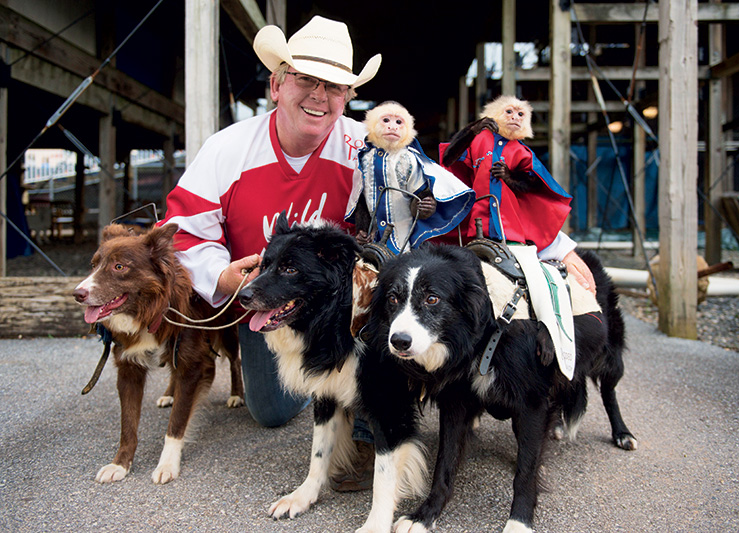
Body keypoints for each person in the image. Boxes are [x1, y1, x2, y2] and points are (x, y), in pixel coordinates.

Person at [160, 15, 381, 491]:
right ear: (277, 84)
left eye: (336, 86)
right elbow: (180, 232)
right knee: (271, 411)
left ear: (348, 97)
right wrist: (221, 277)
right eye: (306, 79)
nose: (320, 96)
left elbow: (438, 193)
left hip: (346, 309)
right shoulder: (228, 148)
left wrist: (557, 247)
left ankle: (367, 424)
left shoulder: (365, 147)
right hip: (265, 302)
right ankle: (323, 381)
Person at [441, 94, 596, 292]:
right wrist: (471, 130)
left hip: (510, 230)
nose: (515, 117)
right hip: (476, 226)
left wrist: (509, 177)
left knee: (531, 281)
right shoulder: (479, 140)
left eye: (521, 114)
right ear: (493, 114)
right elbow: (448, 159)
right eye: (509, 112)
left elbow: (532, 184)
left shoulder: (520, 151)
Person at [345, 100, 475, 254]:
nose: (392, 126)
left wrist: (426, 205)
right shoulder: (364, 158)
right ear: (372, 125)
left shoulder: (409, 159)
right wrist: (361, 229)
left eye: (399, 122)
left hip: (403, 239)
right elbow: (361, 201)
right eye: (386, 120)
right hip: (372, 240)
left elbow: (420, 193)